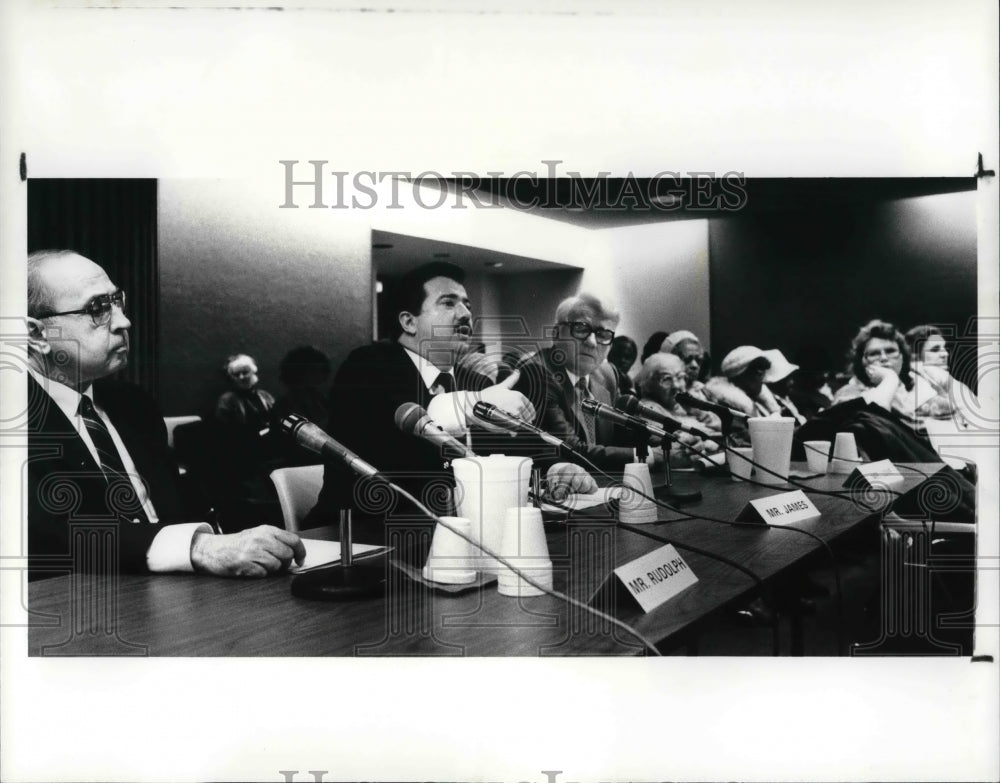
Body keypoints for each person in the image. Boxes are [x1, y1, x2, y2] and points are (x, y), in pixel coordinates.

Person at [25, 250, 303, 581]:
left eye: (117, 301)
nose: (124, 321)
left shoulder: (133, 404)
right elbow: (48, 536)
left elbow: (179, 508)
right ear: (37, 334)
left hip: (177, 594)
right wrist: (198, 548)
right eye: (97, 308)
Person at [306, 262, 592, 526]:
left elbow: (517, 452)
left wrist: (555, 469)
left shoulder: (477, 383)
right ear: (408, 322)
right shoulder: (369, 366)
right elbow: (402, 423)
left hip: (460, 534)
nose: (466, 314)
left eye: (467, 304)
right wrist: (473, 405)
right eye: (448, 303)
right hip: (358, 539)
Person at [513, 292, 654, 470]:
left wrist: (664, 441)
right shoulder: (537, 372)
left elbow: (620, 436)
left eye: (603, 334)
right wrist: (648, 456)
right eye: (581, 328)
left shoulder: (607, 374)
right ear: (556, 334)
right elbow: (571, 450)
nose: (592, 342)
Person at [830, 319, 948, 431]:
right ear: (862, 361)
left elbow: (947, 410)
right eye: (874, 353)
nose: (884, 358)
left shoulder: (914, 384)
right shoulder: (848, 393)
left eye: (891, 351)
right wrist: (889, 379)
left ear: (902, 356)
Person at [634, 352, 719, 465]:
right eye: (667, 379)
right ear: (649, 383)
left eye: (680, 377)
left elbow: (719, 427)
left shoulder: (678, 406)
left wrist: (697, 411)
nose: (676, 385)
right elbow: (680, 445)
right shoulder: (648, 410)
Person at [905, 324, 979, 424]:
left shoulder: (941, 377)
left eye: (944, 348)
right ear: (916, 357)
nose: (945, 354)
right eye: (935, 350)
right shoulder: (912, 378)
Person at [271, 345, 333, 465]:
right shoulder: (287, 403)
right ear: (300, 372)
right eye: (314, 370)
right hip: (298, 464)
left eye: (321, 370)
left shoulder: (320, 398)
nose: (321, 375)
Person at [660, 329, 722, 433]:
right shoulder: (661, 392)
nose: (694, 365)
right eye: (687, 359)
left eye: (699, 360)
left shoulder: (704, 392)